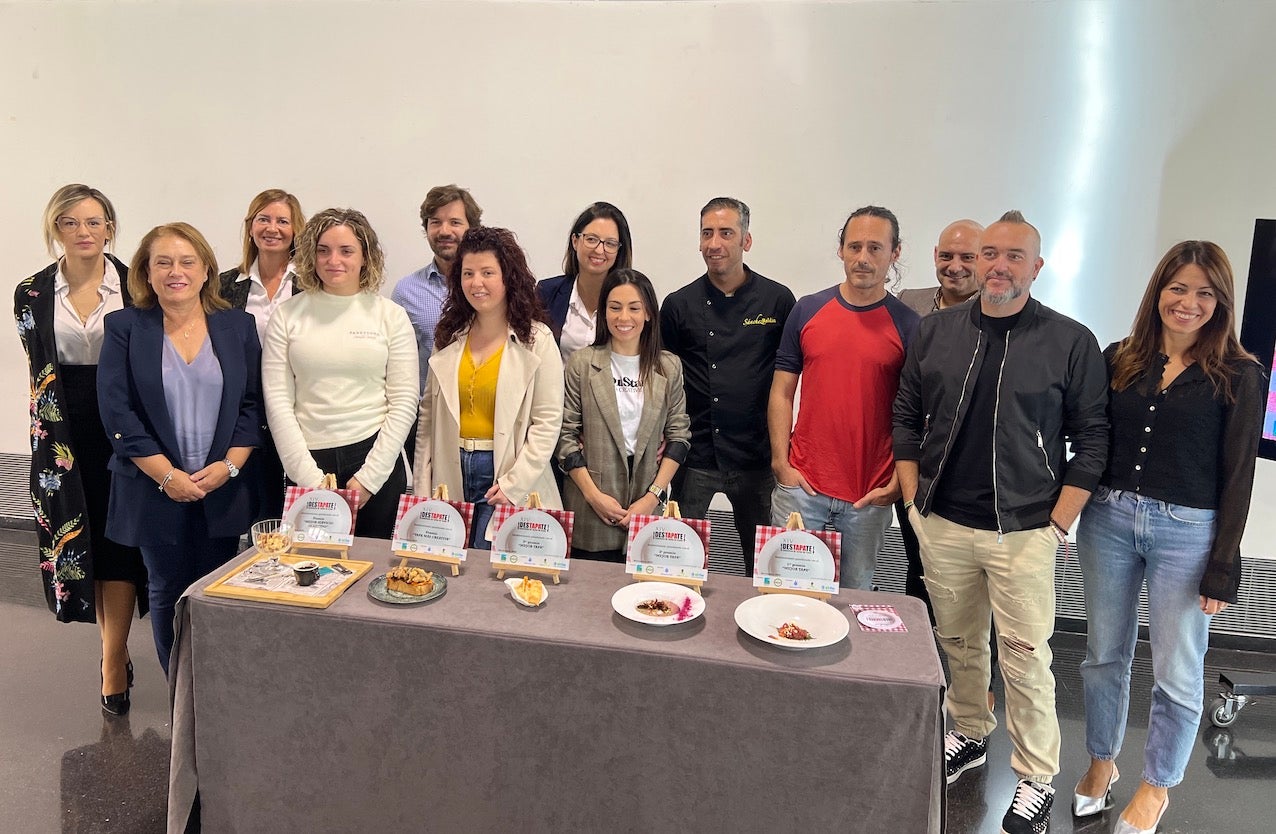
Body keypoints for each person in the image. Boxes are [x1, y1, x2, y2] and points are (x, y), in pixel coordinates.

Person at [893, 211, 1109, 834]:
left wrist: (1057, 524)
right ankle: (969, 730)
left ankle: (1037, 775)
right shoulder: (936, 331)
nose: (998, 265)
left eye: (1014, 256)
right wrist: (913, 500)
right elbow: (906, 412)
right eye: (990, 253)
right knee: (959, 642)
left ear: (1036, 268)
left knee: (1025, 659)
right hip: (943, 522)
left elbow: (1093, 440)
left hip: (1025, 529)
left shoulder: (1070, 341)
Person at [1072, 241, 1264, 834]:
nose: (1188, 302)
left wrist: (1223, 566)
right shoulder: (1120, 358)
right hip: (1107, 519)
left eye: (1204, 292)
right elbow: (1090, 438)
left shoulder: (1241, 374)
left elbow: (1239, 475)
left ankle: (1156, 787)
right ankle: (1101, 762)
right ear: (1158, 291)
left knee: (1177, 668)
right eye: (1178, 288)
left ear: (1221, 301)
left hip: (1188, 533)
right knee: (1104, 655)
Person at [98, 222, 261, 676]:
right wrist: (167, 476)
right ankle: (179, 691)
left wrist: (229, 467)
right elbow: (118, 413)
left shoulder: (237, 326)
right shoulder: (124, 327)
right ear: (146, 273)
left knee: (214, 591)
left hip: (220, 486)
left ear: (206, 270)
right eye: (163, 263)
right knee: (167, 588)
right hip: (151, 485)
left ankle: (211, 689)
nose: (176, 272)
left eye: (188, 261)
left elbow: (251, 405)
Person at [15, 184, 147, 715]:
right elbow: (39, 367)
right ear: (56, 229)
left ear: (110, 228)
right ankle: (111, 648)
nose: (83, 232)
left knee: (120, 542)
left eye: (94, 222)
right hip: (63, 432)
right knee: (82, 536)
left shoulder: (136, 284)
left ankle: (112, 660)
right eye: (70, 222)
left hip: (126, 423)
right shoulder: (30, 292)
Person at [768, 205, 919, 590]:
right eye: (854, 247)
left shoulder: (909, 326)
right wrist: (781, 464)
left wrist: (897, 482)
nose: (863, 258)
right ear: (841, 250)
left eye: (875, 248)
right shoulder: (808, 310)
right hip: (802, 488)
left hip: (869, 497)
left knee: (853, 598)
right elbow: (782, 391)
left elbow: (918, 412)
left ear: (895, 253)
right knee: (785, 593)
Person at [262, 208, 418, 540]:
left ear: (365, 257)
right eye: (324, 250)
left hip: (375, 460)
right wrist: (310, 480)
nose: (334, 260)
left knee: (374, 568)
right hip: (308, 460)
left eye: (346, 251)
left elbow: (405, 401)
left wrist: (369, 478)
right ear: (311, 255)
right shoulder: (287, 316)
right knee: (312, 567)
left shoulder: (391, 316)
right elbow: (277, 402)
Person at [661, 197, 794, 575]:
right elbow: (664, 381)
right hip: (695, 454)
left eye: (725, 233)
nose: (714, 243)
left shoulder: (778, 300)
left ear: (746, 241)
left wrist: (784, 453)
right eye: (707, 233)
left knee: (764, 563)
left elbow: (789, 379)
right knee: (680, 557)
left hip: (757, 455)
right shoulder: (678, 304)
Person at [416, 227, 563, 549]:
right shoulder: (448, 336)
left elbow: (548, 422)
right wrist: (422, 485)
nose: (476, 283)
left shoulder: (537, 340)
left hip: (505, 476)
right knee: (448, 562)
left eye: (487, 273)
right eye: (467, 273)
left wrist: (514, 484)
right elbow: (428, 418)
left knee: (490, 566)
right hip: (450, 470)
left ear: (508, 278)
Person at [559, 269, 691, 562]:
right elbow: (565, 437)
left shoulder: (668, 367)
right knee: (588, 585)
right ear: (604, 312)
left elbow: (679, 436)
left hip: (647, 498)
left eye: (634, 308)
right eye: (615, 307)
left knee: (646, 586)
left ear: (648, 313)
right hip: (590, 504)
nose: (624, 317)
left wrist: (652, 497)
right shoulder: (582, 364)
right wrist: (594, 497)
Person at [218, 189, 306, 520]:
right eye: (263, 219)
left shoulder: (312, 284)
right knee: (254, 503)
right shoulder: (225, 285)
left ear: (296, 229)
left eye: (283, 221)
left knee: (298, 499)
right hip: (244, 408)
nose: (272, 228)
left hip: (300, 405)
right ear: (250, 226)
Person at [393, 184, 483, 397]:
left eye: (455, 222)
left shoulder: (492, 286)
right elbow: (398, 367)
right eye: (435, 222)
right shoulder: (406, 292)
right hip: (429, 409)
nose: (444, 231)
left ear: (472, 228)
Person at [536, 202, 633, 362]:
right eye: (591, 239)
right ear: (575, 241)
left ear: (619, 250)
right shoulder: (547, 293)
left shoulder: (632, 301)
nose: (599, 250)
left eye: (610, 243)